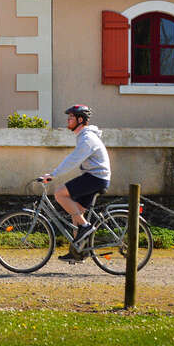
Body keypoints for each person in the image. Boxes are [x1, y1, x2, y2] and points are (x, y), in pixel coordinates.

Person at [40, 104, 111, 262]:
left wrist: (53, 174)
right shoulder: (84, 136)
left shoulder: (87, 138)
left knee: (59, 193)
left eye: (71, 117)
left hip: (95, 177)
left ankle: (86, 227)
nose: (68, 120)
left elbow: (73, 160)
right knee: (76, 213)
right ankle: (78, 253)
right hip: (95, 177)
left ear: (80, 119)